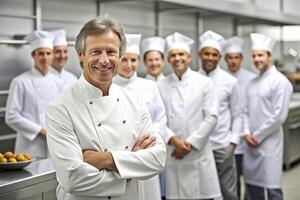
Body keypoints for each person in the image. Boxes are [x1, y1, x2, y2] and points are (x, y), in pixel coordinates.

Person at [45, 16, 166, 200]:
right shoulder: (60, 108)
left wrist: (104, 159)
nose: (104, 60)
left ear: (119, 56)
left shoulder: (134, 100)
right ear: (80, 55)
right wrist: (130, 170)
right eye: (95, 52)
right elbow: (72, 178)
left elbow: (158, 159)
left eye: (111, 52)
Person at [158, 32, 221, 200]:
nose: (177, 58)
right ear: (168, 59)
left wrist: (189, 144)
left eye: (181, 54)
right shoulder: (161, 84)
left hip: (197, 152)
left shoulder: (204, 82)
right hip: (173, 151)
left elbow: (212, 117)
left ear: (189, 57)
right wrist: (175, 141)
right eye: (173, 55)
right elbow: (158, 118)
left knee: (200, 195)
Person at [113, 33, 167, 200]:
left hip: (146, 153)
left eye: (133, 60)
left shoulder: (149, 86)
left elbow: (161, 119)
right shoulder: (110, 85)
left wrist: (145, 142)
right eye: (124, 60)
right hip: (121, 153)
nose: (129, 65)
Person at [243, 33, 293, 200]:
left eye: (260, 55)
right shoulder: (252, 83)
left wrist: (256, 136)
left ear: (269, 56)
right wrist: (246, 133)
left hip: (269, 143)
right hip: (250, 144)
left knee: (272, 189)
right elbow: (243, 111)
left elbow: (278, 116)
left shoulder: (280, 82)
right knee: (252, 186)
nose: (257, 59)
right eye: (254, 55)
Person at [198, 30, 243, 200]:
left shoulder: (230, 81)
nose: (210, 57)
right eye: (206, 53)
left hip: (222, 146)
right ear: (199, 54)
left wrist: (232, 142)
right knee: (202, 191)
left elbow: (238, 113)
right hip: (199, 147)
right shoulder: (193, 78)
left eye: (214, 54)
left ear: (220, 57)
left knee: (228, 192)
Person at [5, 30, 62, 158]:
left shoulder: (58, 82)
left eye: (48, 53)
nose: (45, 58)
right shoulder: (20, 81)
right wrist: (41, 131)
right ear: (33, 56)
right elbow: (11, 116)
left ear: (52, 55)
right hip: (29, 146)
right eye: (41, 54)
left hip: (54, 145)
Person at [224, 36, 256, 200]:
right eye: (230, 58)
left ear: (241, 59)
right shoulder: (222, 79)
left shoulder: (252, 79)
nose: (233, 61)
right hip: (229, 138)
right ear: (226, 59)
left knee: (251, 179)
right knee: (232, 180)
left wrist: (247, 131)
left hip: (250, 137)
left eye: (236, 57)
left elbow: (250, 110)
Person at [141, 35, 167, 199]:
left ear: (163, 61)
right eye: (150, 60)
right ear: (144, 62)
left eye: (157, 59)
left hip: (171, 145)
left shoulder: (169, 83)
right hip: (150, 145)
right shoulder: (142, 86)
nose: (154, 63)